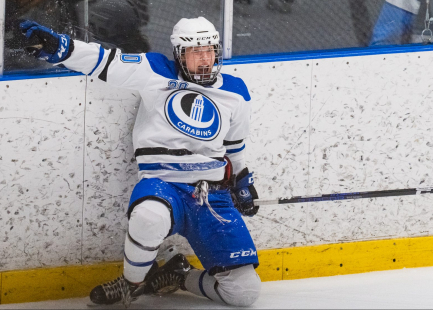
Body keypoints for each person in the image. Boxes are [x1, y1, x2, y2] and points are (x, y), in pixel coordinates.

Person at [19, 17, 261, 308]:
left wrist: (243, 182)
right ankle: (132, 282)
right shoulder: (155, 70)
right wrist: (62, 48)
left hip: (211, 196)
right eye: (196, 52)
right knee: (148, 216)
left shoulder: (235, 91)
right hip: (164, 185)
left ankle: (178, 275)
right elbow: (106, 60)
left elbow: (234, 149)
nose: (205, 59)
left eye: (210, 50)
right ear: (179, 54)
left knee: (244, 293)